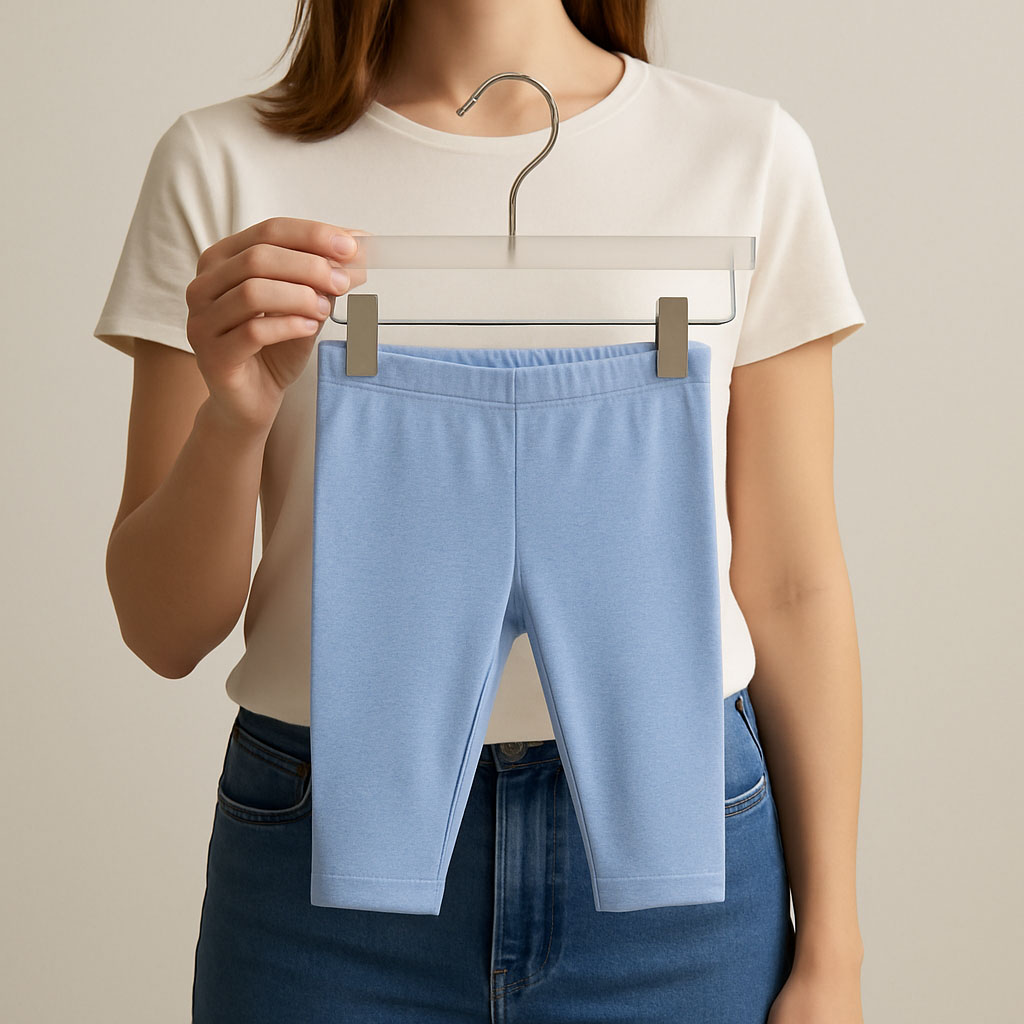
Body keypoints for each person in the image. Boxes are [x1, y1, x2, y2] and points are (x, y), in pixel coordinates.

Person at [92, 1, 866, 1021]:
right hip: (319, 882)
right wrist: (235, 416)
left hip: (682, 881)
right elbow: (162, 633)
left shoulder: (742, 152)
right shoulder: (222, 162)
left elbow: (793, 584)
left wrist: (835, 947)